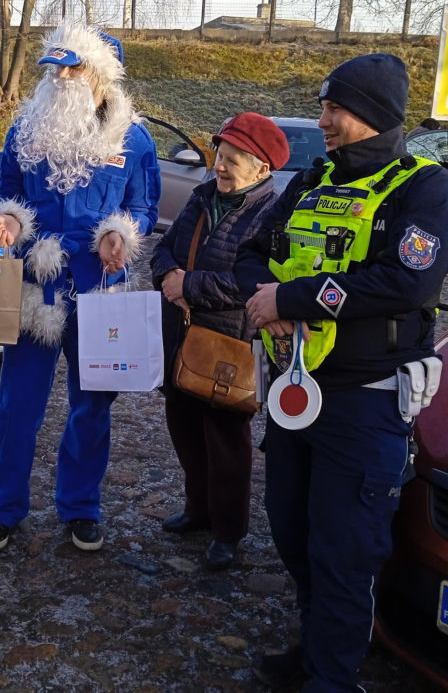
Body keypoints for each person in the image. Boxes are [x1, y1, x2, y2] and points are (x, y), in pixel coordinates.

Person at [236, 53, 448, 691]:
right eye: (325, 107)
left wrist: (291, 300)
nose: (325, 120)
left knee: (346, 552)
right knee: (294, 532)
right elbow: (253, 254)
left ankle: (333, 676)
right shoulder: (313, 182)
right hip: (296, 392)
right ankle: (317, 646)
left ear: (372, 115)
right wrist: (264, 297)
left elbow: (405, 280)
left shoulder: (427, 190)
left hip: (365, 404)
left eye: (335, 108)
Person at [0, 21, 161, 553]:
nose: (59, 77)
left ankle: (81, 505)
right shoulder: (24, 129)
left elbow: (143, 207)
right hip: (37, 282)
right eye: (53, 68)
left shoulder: (133, 138)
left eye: (71, 66)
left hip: (99, 287)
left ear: (99, 72)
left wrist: (118, 235)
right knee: (16, 405)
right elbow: (6, 188)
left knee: (93, 405)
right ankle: (2, 508)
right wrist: (9, 219)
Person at [150, 113, 289, 571]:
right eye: (219, 157)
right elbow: (165, 247)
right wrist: (168, 275)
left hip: (231, 340)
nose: (219, 167)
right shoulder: (202, 197)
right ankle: (198, 510)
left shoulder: (273, 214)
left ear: (262, 170)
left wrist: (188, 286)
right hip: (182, 335)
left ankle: (228, 531)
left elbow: (254, 282)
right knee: (184, 428)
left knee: (227, 442)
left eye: (231, 161)